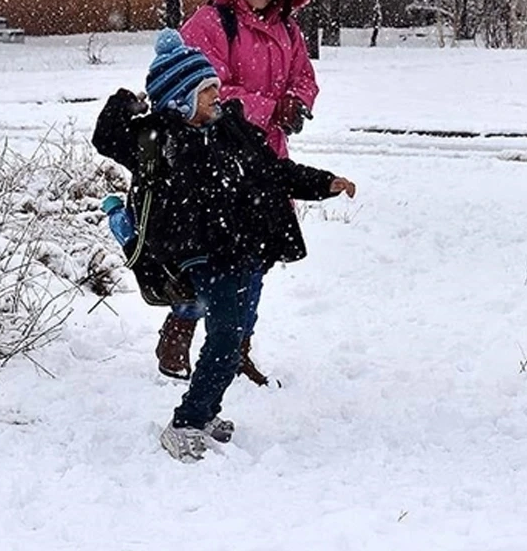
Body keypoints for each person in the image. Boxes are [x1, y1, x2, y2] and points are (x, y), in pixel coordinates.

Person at [92, 29, 355, 462]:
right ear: (180, 98)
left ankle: (205, 411)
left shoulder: (233, 130)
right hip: (202, 253)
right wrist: (126, 102)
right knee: (226, 339)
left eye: (215, 86)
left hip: (244, 247)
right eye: (206, 90)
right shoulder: (159, 140)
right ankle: (186, 423)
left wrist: (325, 183)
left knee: (230, 338)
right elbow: (107, 137)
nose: (217, 95)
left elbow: (277, 171)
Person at [160, 0, 319, 384]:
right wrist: (269, 106)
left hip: (266, 161)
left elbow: (304, 77)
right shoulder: (210, 24)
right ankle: (183, 326)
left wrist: (298, 102)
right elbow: (200, 92)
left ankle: (235, 347)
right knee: (212, 258)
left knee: (258, 259)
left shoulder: (289, 30)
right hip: (216, 164)